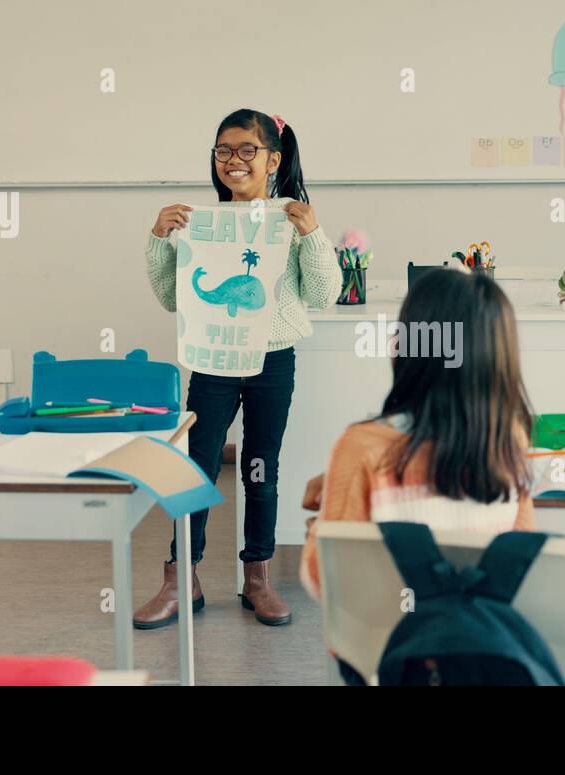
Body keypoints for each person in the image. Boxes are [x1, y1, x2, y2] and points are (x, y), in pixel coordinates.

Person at [136, 109, 340, 627]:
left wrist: (314, 235)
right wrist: (160, 239)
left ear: (272, 159)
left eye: (248, 150)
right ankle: (181, 576)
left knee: (261, 467)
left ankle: (258, 576)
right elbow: (169, 298)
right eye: (224, 150)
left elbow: (323, 294)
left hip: (272, 359)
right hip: (213, 356)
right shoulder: (198, 223)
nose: (234, 161)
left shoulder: (292, 220)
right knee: (196, 464)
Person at [300, 268, 536, 599]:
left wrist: (319, 534)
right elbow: (520, 567)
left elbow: (323, 581)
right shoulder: (509, 438)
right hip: (482, 643)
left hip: (391, 647)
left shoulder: (361, 448)